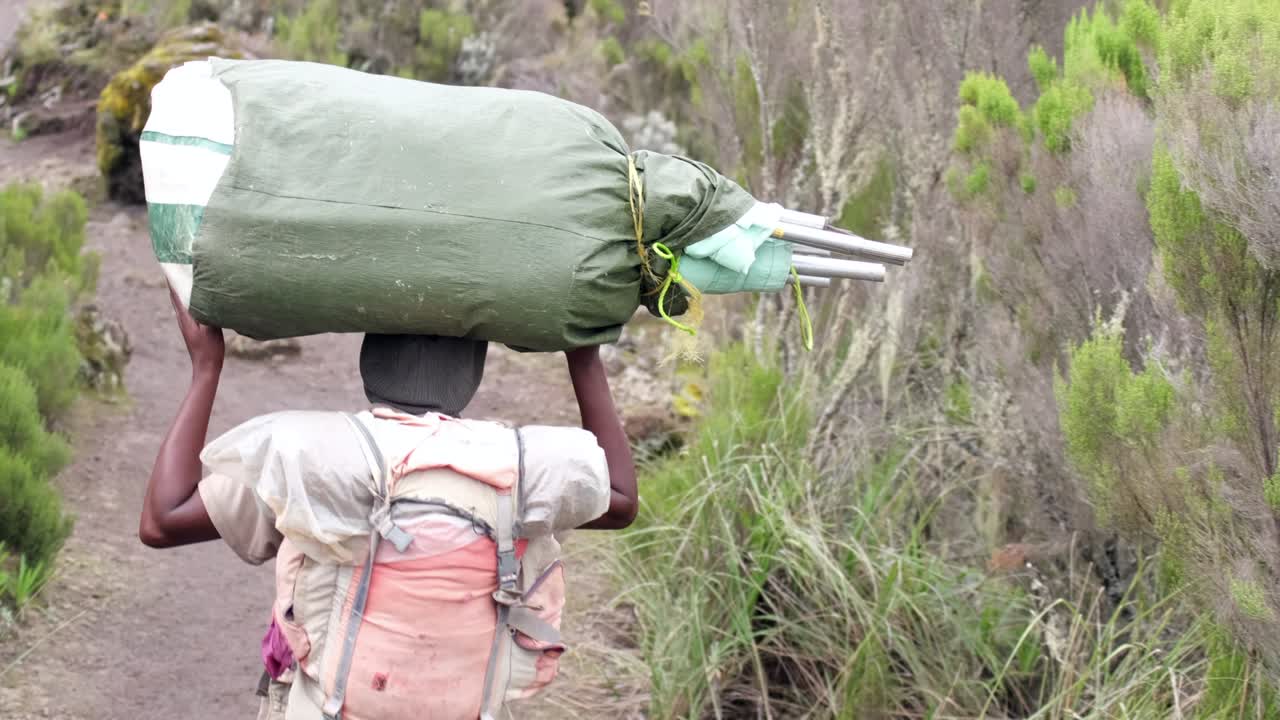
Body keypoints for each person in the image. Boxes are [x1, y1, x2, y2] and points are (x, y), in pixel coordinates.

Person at [138, 287, 638, 719]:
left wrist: (206, 366)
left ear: (367, 362)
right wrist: (585, 360)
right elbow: (620, 501)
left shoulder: (315, 459)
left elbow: (163, 520)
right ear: (473, 376)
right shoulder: (522, 465)